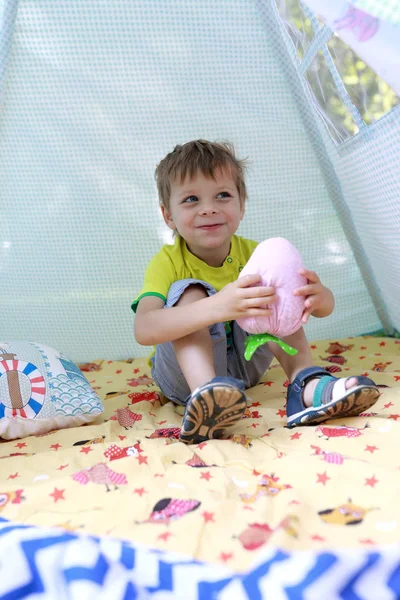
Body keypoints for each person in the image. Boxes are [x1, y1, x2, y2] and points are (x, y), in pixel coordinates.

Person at [132, 140, 379, 444]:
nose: (208, 208)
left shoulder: (256, 253)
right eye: (191, 199)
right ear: (168, 215)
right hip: (183, 380)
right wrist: (218, 306)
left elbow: (319, 308)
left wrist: (319, 297)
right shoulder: (167, 262)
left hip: (245, 369)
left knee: (273, 288)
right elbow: (144, 329)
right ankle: (206, 399)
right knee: (189, 291)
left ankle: (308, 384)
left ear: (241, 204)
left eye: (223, 195)